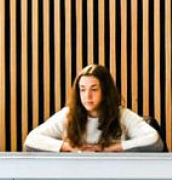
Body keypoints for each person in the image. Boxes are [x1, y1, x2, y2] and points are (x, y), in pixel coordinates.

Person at [25, 64, 164, 152]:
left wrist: (109, 148)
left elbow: (153, 140)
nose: (87, 96)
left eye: (94, 89)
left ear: (105, 91)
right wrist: (71, 148)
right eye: (82, 89)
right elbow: (32, 140)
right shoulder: (68, 114)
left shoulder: (122, 115)